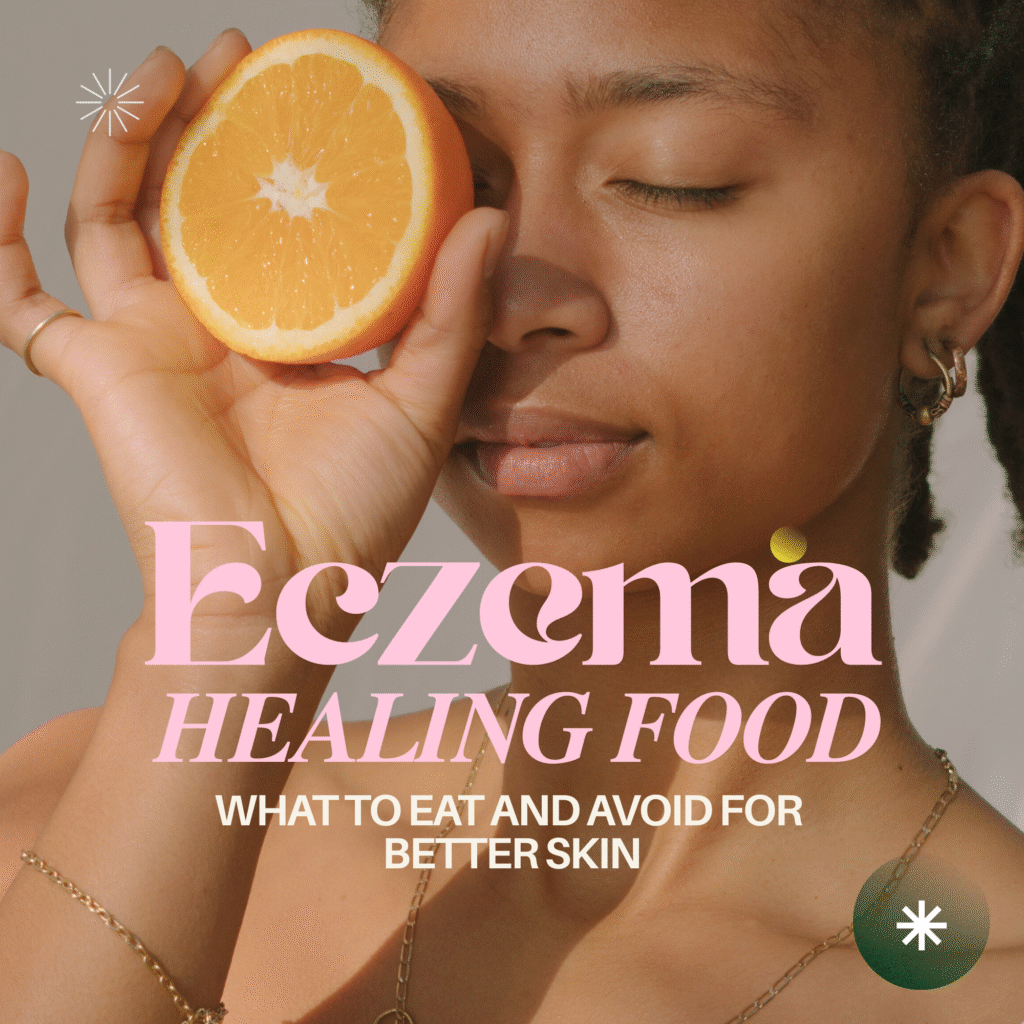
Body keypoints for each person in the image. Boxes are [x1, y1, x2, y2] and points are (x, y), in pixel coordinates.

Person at [1, 0, 1023, 1021]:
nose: (508, 290)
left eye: (673, 179)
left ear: (948, 267)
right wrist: (229, 635)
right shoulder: (70, 827)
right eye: (459, 183)